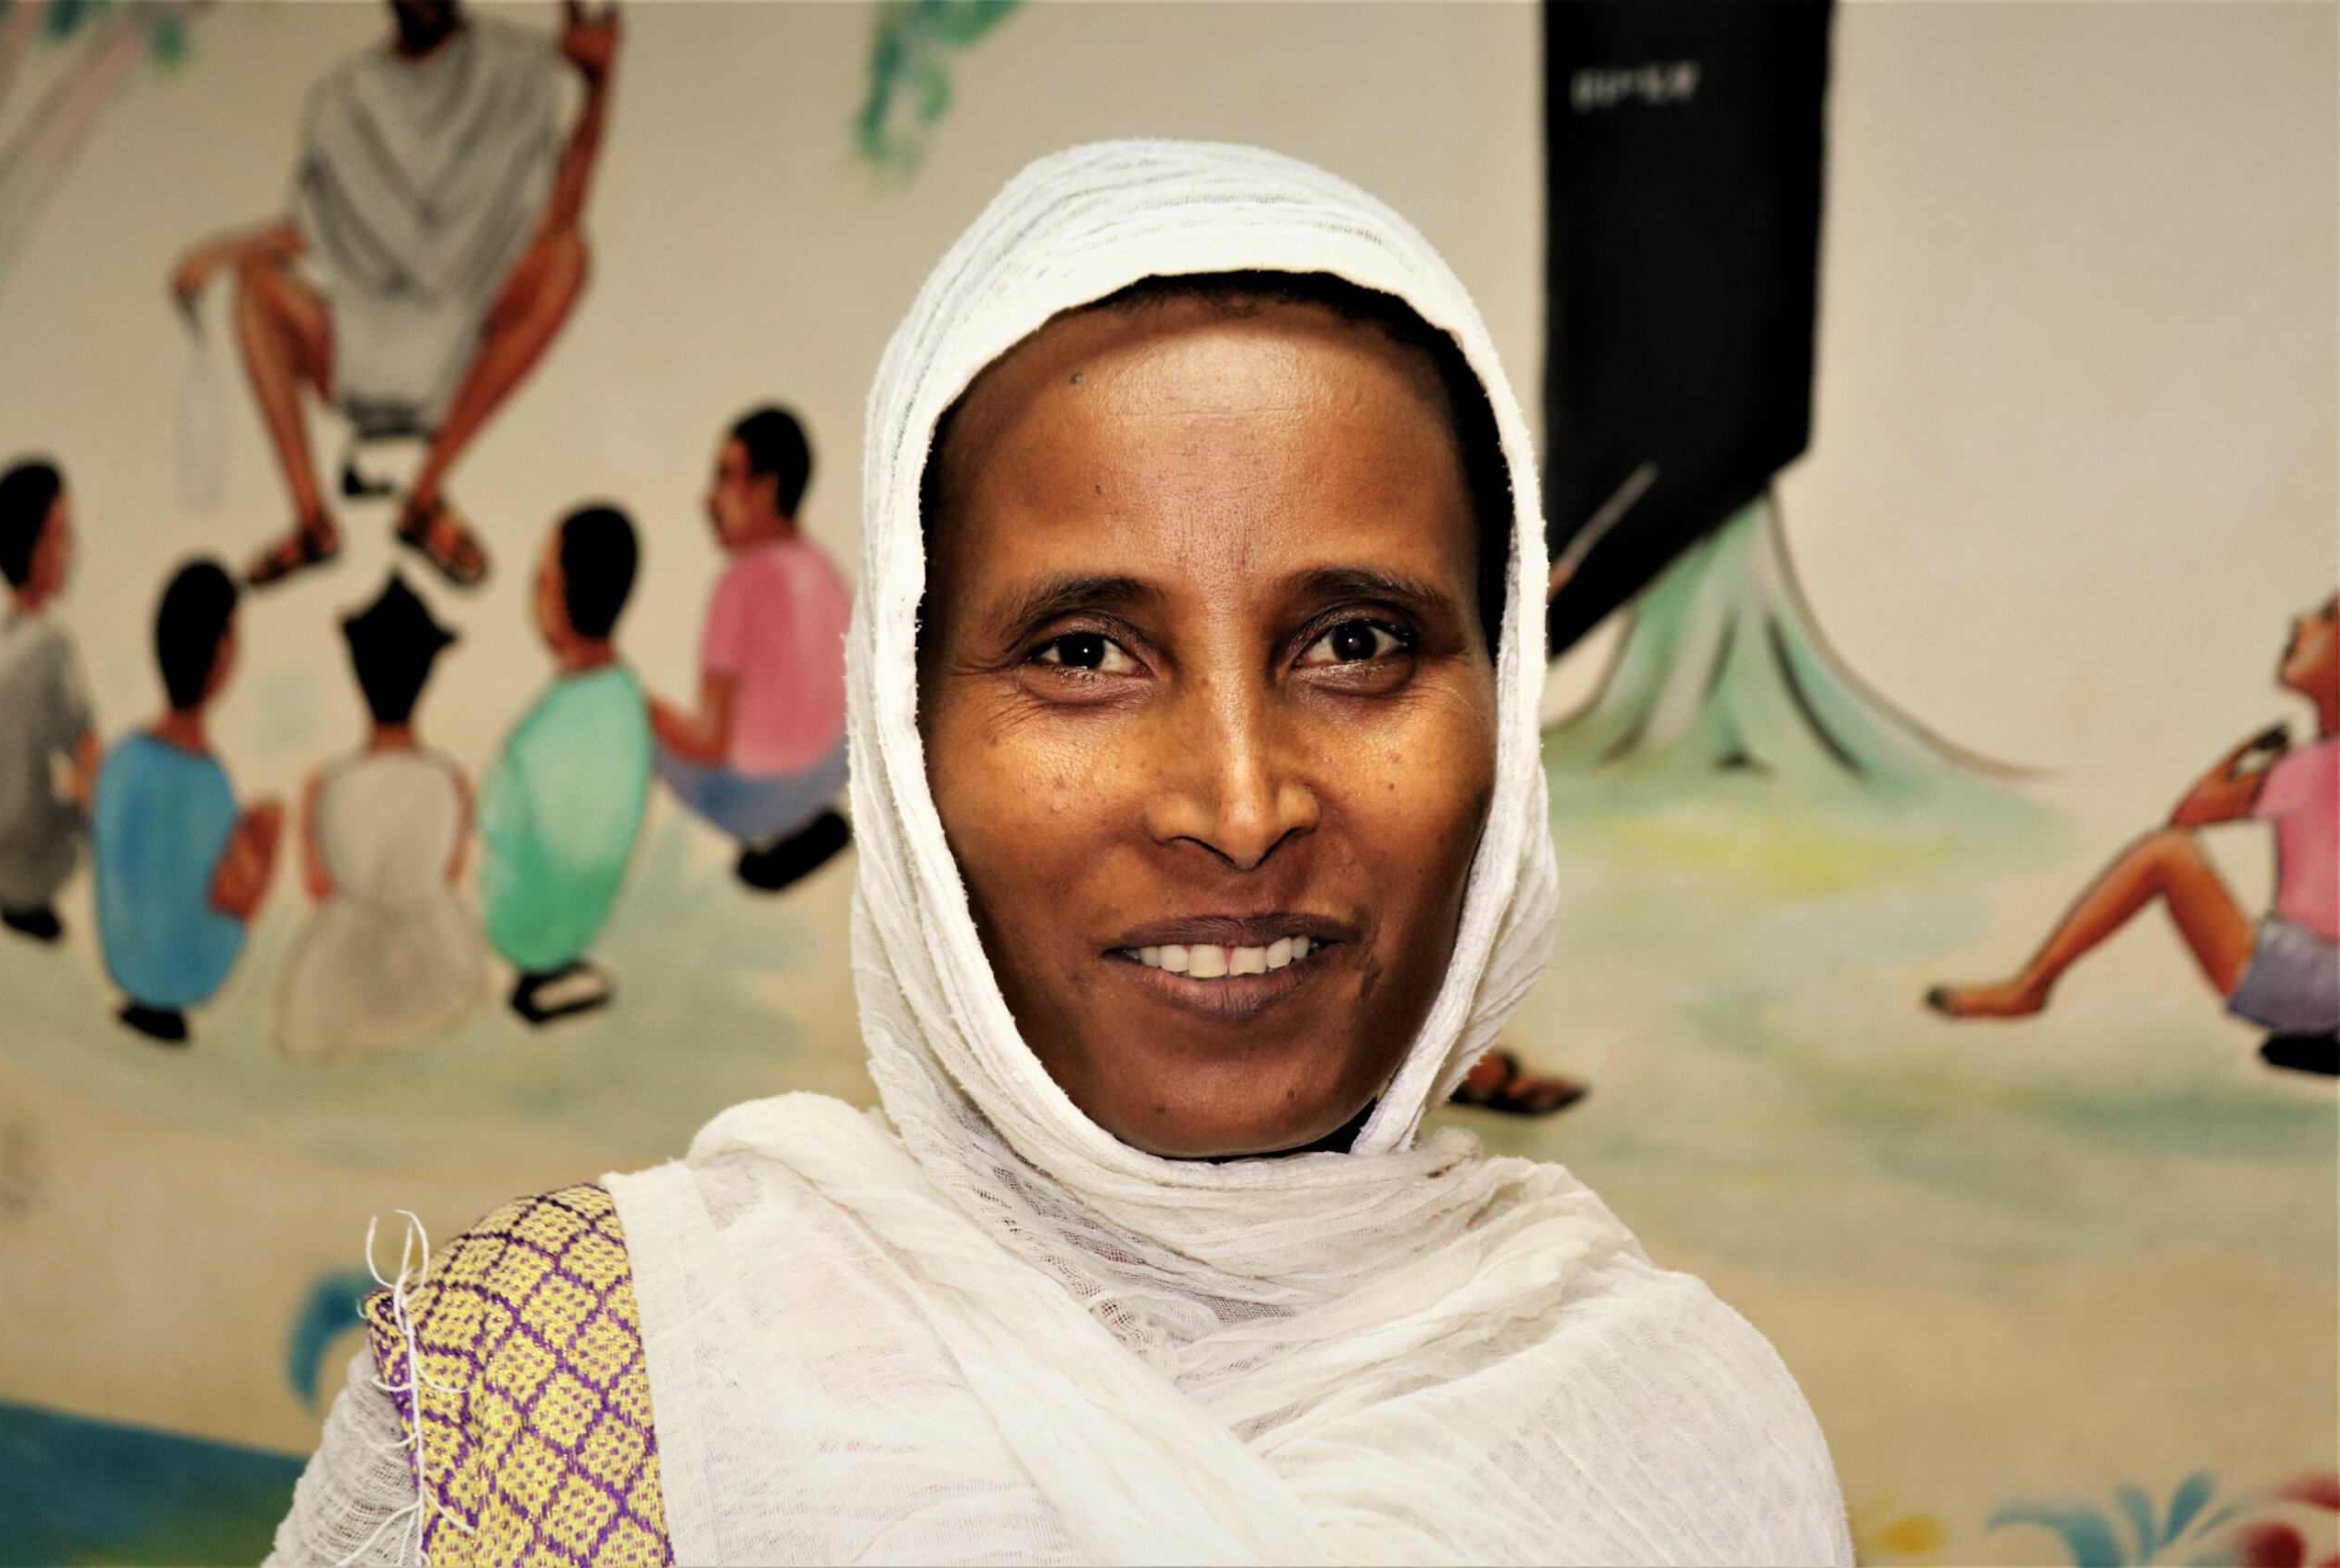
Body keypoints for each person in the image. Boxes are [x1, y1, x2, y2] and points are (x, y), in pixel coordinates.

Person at [268, 143, 1848, 1568]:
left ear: (1502, 717)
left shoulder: (1683, 1443)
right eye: (1086, 650)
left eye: (1356, 640)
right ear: (904, 739)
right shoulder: (585, 1387)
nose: (1238, 804)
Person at [169, 0, 619, 591]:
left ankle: (424, 498)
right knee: (256, 288)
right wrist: (218, 254)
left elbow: (563, 208)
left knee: (568, 258)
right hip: (362, 339)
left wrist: (599, 86)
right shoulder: (344, 100)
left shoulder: (514, 68)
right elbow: (309, 230)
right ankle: (311, 520)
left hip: (469, 334)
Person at [1930, 593, 2340, 1076]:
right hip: (2317, 984)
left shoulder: (2305, 770)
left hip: (2295, 979)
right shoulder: (2304, 769)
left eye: (2328, 618)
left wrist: (2244, 753)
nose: (2301, 620)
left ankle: (2031, 988)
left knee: (2166, 854)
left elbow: (2190, 813)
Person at [272, 575, 486, 1064]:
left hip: (339, 981)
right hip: (437, 969)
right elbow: (450, 876)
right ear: (429, 673)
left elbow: (318, 887)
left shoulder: (323, 786)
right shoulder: (452, 782)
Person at [650, 407, 852, 892]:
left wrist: (649, 715)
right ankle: (799, 822)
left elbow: (709, 745)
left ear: (764, 489)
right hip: (829, 774)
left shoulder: (739, 585)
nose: (709, 498)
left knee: (627, 712)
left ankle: (769, 830)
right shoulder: (823, 571)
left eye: (724, 478)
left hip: (753, 798)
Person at [95, 561, 282, 1043]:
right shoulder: (209, 781)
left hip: (123, 962)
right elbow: (221, 886)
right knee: (270, 820)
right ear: (221, 653)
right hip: (194, 974)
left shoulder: (122, 757)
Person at [480, 505, 650, 1026]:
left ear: (564, 593)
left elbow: (495, 825)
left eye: (540, 581)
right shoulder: (629, 700)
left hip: (520, 927)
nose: (534, 596)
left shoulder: (537, 734)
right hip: (591, 915)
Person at [0, 459, 98, 942]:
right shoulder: (49, 646)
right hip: (35, 863)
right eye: (63, 536)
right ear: (33, 548)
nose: (73, 552)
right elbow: (87, 754)